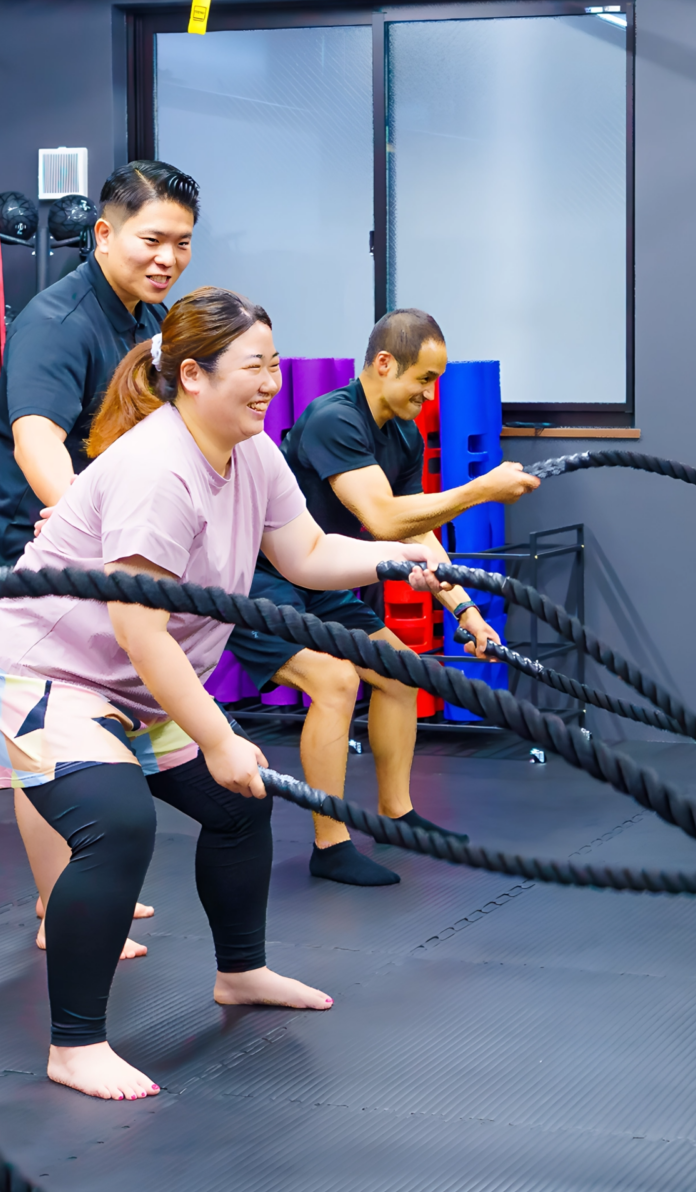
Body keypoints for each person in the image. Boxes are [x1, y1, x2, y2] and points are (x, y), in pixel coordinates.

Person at [0, 289, 442, 1102]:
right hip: (43, 670)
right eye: (254, 367)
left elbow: (308, 553)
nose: (271, 383)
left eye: (275, 365)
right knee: (118, 824)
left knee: (240, 805)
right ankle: (74, 1045)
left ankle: (241, 972)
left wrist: (394, 560)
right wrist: (219, 738)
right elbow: (140, 629)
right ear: (193, 375)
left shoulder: (251, 452)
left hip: (126, 676)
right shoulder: (158, 469)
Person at [0, 160, 202, 962]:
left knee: (94, 722)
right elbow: (39, 441)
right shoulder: (57, 321)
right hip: (28, 552)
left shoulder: (148, 319)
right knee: (44, 737)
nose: (167, 257)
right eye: (152, 239)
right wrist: (86, 530)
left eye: (182, 243)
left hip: (86, 549)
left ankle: (84, 882)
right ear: (103, 233)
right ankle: (56, 907)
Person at [224, 309, 540, 886]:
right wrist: (481, 488)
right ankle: (330, 844)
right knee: (335, 681)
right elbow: (383, 516)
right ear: (386, 364)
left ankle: (396, 815)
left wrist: (466, 611)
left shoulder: (403, 434)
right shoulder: (333, 419)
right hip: (258, 580)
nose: (430, 394)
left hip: (324, 575)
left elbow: (418, 532)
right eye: (424, 379)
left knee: (401, 672)